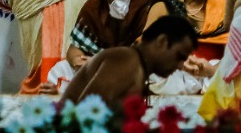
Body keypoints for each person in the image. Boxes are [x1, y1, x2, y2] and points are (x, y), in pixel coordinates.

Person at [46, 0, 157, 92]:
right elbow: (74, 48)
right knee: (60, 69)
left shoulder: (147, 4)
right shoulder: (94, 6)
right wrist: (77, 61)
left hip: (130, 69)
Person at [63, 16, 198, 108]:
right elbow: (86, 114)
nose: (180, 66)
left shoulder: (138, 64)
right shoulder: (126, 61)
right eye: (179, 56)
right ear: (162, 41)